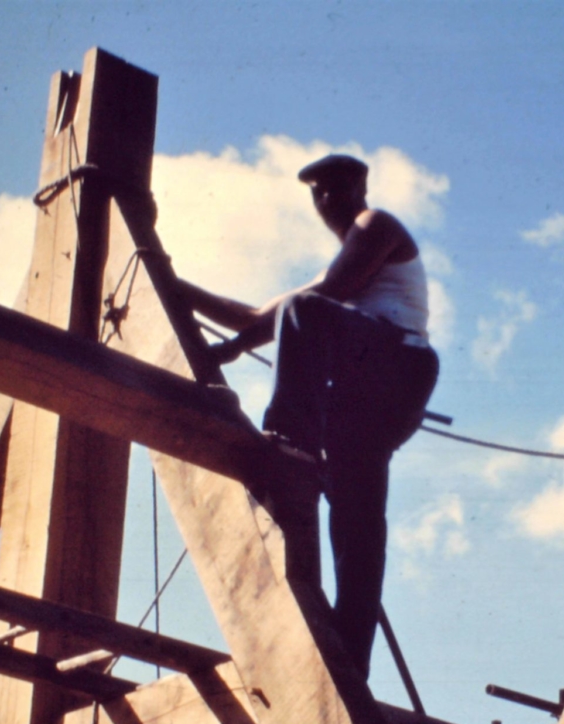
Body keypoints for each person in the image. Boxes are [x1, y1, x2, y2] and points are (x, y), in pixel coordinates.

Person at [178, 153, 439, 676]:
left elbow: (315, 303)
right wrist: (171, 284)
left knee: (305, 311)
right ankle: (352, 658)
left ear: (360, 188)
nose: (328, 201)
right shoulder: (338, 267)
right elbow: (254, 318)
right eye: (319, 193)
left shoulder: (375, 227)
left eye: (337, 190)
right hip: (364, 402)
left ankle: (289, 437)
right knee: (356, 522)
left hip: (398, 368)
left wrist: (242, 342)